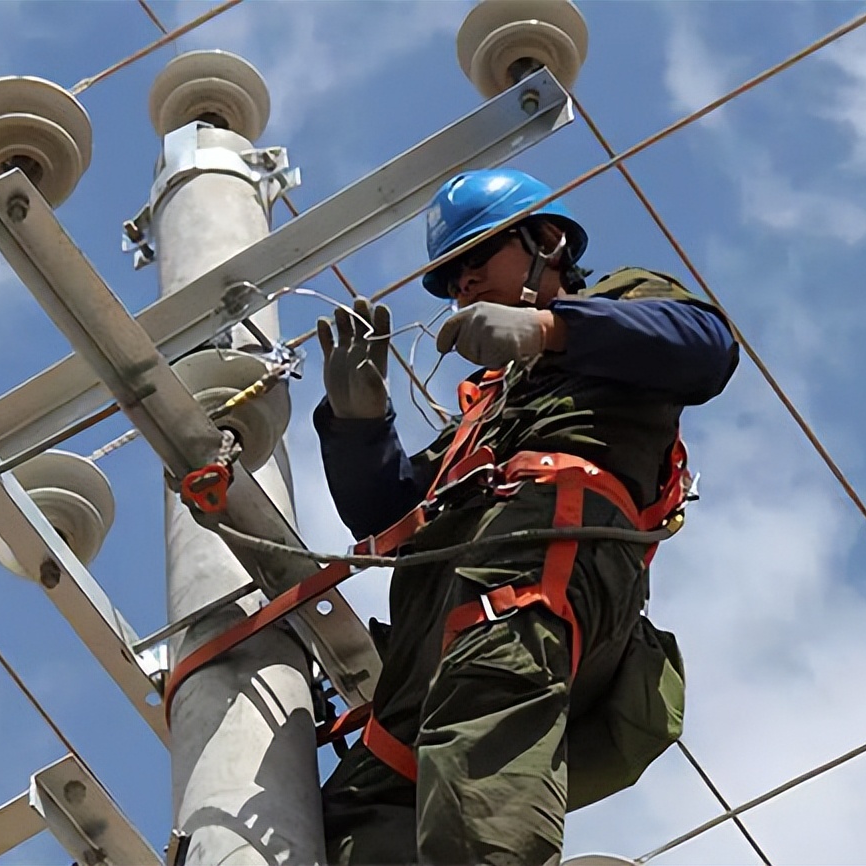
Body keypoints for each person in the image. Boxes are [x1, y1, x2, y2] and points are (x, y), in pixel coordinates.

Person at [314, 168, 739, 865]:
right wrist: (360, 425)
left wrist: (550, 329)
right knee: (356, 817)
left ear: (547, 239)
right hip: (442, 614)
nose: (463, 286)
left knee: (484, 758)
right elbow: (388, 517)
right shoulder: (485, 408)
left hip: (537, 568)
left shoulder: (621, 305)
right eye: (450, 280)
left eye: (474, 259)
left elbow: (705, 348)